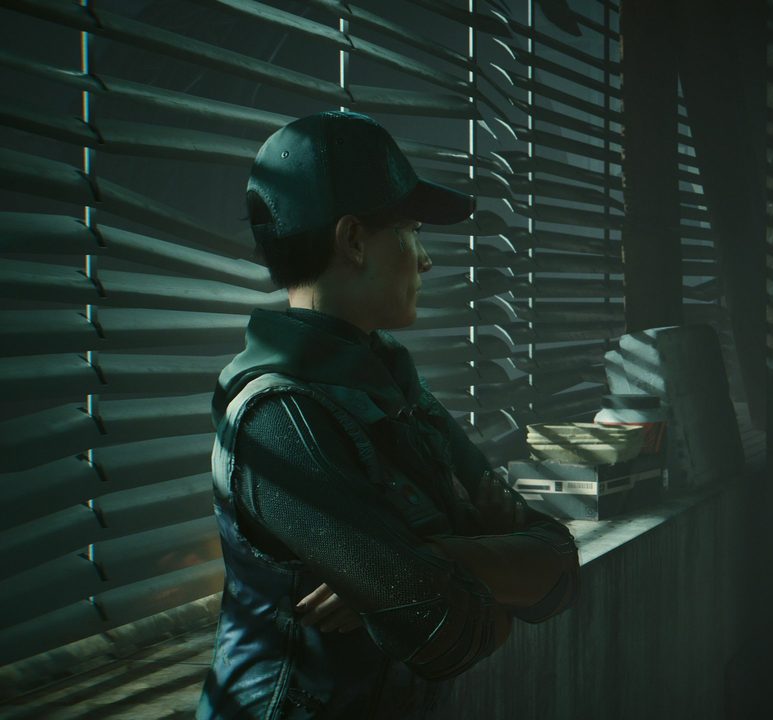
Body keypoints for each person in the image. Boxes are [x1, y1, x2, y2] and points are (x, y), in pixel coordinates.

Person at [197, 111, 579, 719]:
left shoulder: (394, 387)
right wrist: (451, 576)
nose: (425, 260)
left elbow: (558, 565)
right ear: (353, 240)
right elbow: (449, 634)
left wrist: (435, 561)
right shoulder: (277, 418)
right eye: (411, 231)